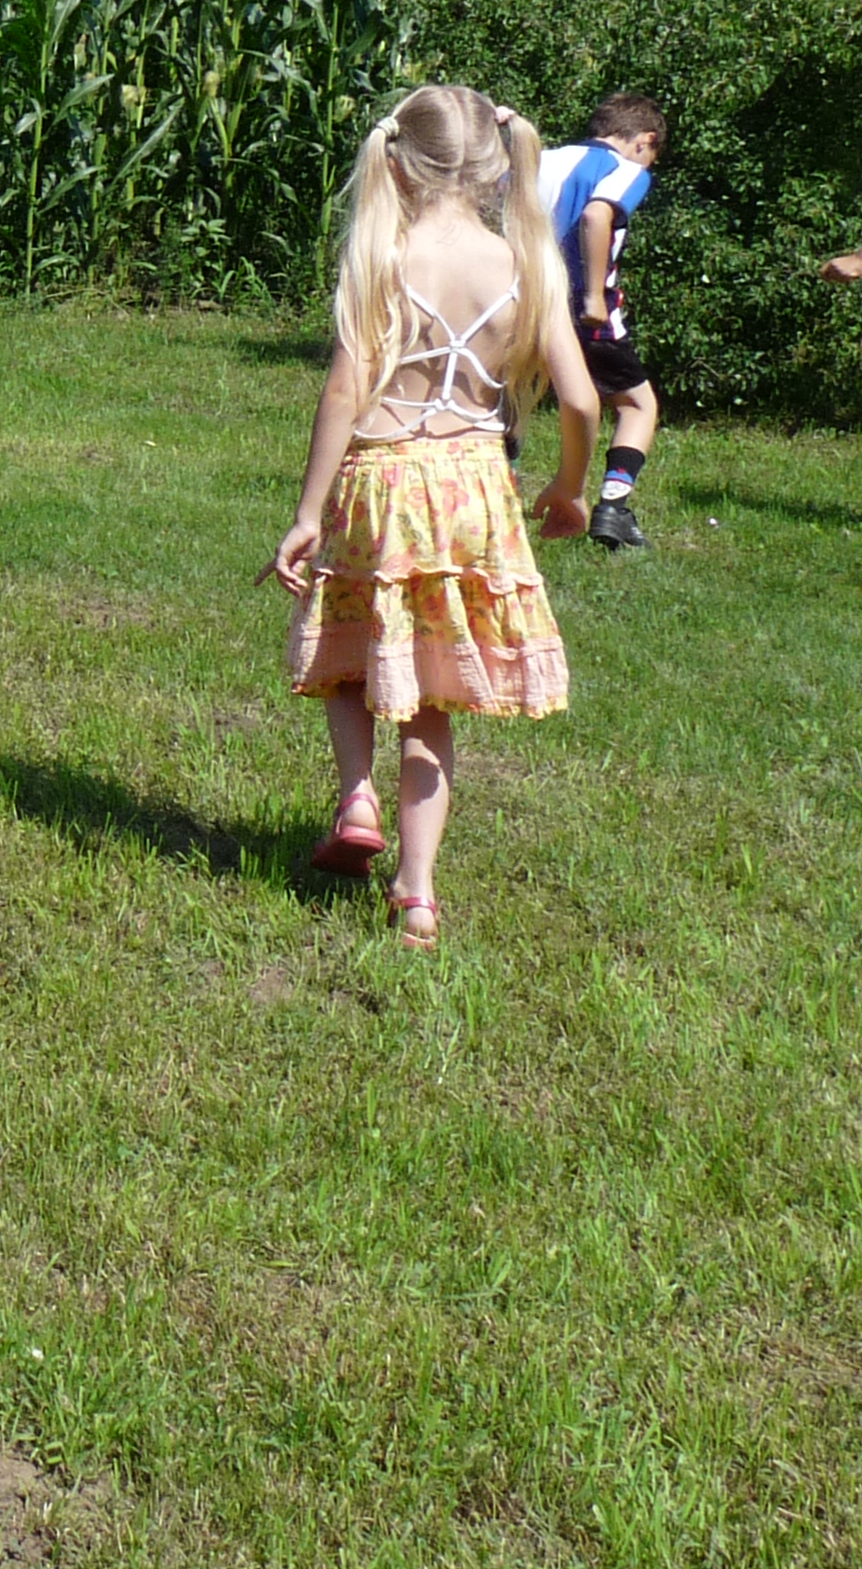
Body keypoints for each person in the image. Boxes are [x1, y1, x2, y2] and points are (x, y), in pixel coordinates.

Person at [275, 87, 598, 951]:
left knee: (350, 656)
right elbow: (580, 400)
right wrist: (571, 490)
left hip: (380, 478)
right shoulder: (525, 263)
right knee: (434, 695)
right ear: (494, 168)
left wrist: (306, 512)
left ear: (401, 163)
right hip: (473, 488)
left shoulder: (385, 253)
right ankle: (416, 894)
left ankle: (358, 798)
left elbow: (345, 390)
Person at [535, 93, 664, 549]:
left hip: (524, 295)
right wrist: (592, 295)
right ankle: (613, 507)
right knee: (637, 404)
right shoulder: (627, 170)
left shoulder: (542, 159)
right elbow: (596, 214)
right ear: (644, 141)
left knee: (510, 396)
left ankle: (498, 488)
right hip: (582, 303)